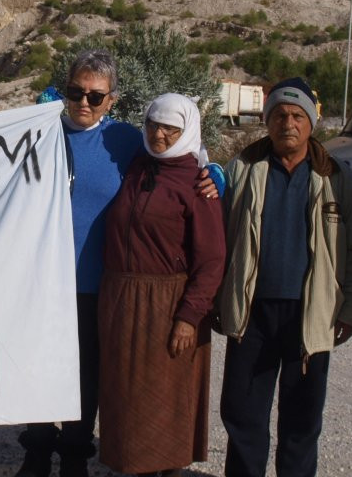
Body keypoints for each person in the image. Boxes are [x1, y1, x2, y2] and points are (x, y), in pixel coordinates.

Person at [216, 77, 352, 477]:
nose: (289, 122)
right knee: (244, 416)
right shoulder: (242, 171)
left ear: (312, 123)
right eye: (280, 115)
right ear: (267, 121)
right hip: (252, 314)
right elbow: (218, 238)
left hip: (311, 315)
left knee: (302, 422)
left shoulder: (337, 178)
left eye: (298, 115)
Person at [15, 50, 143, 477]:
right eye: (75, 92)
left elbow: (176, 156)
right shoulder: (38, 132)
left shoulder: (124, 141)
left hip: (95, 283)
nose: (83, 103)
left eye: (95, 96)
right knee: (38, 367)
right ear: (63, 91)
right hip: (41, 280)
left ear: (112, 100)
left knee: (85, 374)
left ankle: (73, 454)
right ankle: (35, 452)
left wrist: (211, 171)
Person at [97, 93, 225, 477]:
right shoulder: (136, 167)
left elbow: (213, 258)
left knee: (165, 399)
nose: (160, 135)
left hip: (168, 303)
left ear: (187, 132)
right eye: (153, 125)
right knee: (126, 396)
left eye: (171, 128)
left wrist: (189, 316)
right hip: (123, 299)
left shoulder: (197, 183)